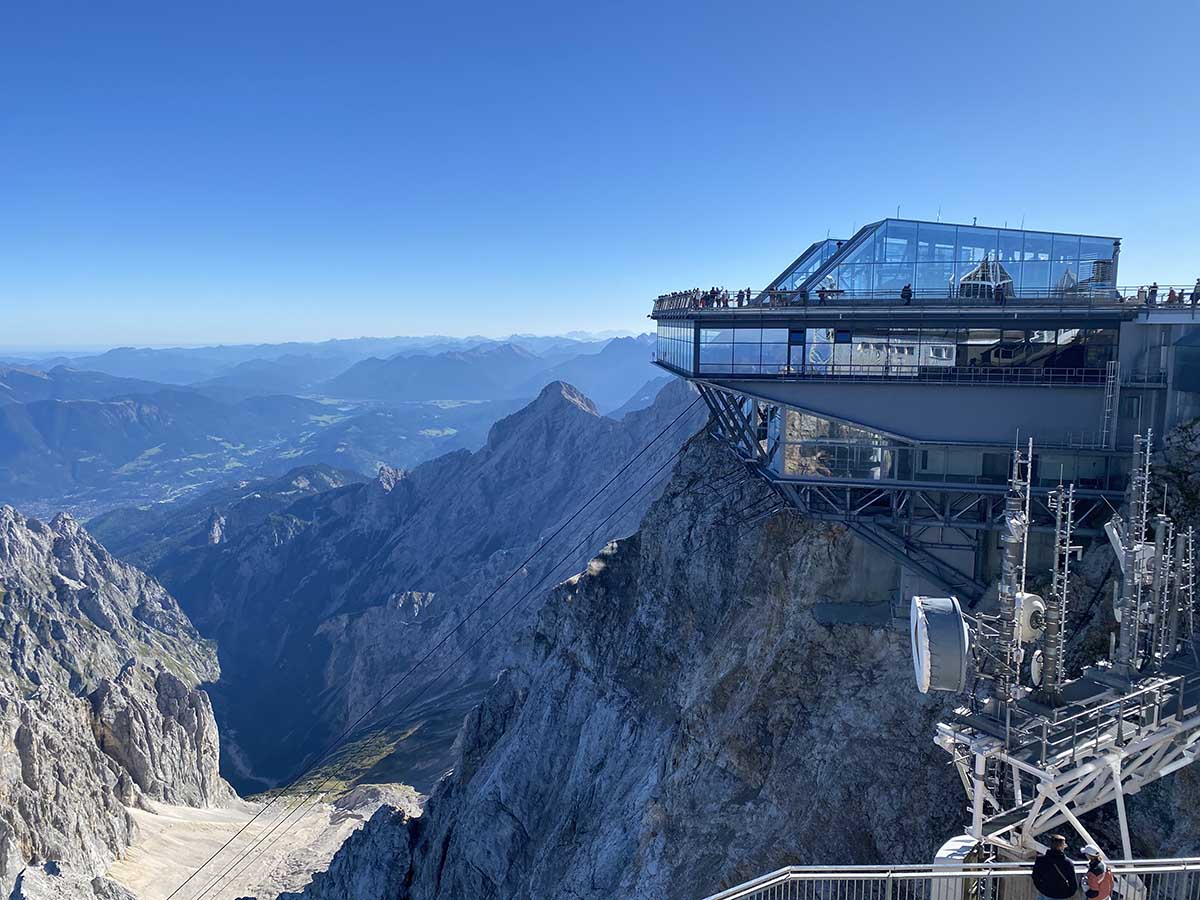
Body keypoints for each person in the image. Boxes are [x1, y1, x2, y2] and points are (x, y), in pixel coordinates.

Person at [1032, 835, 1079, 900]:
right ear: (1062, 847)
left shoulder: (1041, 860)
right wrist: (1067, 894)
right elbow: (1073, 884)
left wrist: (1041, 888)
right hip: (1061, 895)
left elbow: (1035, 877)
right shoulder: (1068, 863)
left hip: (1046, 893)